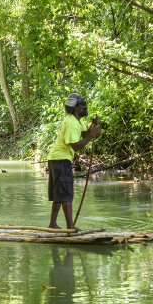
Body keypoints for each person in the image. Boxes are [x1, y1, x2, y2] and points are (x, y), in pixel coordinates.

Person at [47, 93, 101, 230]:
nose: (85, 106)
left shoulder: (77, 120)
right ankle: (70, 227)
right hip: (60, 160)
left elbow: (83, 134)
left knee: (60, 193)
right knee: (66, 193)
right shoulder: (71, 122)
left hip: (57, 159)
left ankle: (53, 224)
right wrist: (93, 135)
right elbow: (76, 146)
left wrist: (91, 127)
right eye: (83, 104)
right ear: (76, 107)